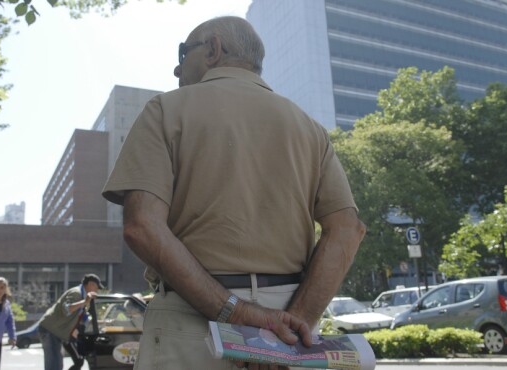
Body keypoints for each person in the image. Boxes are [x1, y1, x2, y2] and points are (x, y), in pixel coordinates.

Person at [102, 16, 366, 370]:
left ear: (213, 49)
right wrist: (293, 323)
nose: (177, 70)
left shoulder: (164, 110)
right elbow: (347, 229)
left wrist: (236, 313)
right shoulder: (310, 129)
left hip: (193, 323)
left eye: (183, 54)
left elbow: (141, 227)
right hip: (291, 325)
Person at [38, 273, 104, 370]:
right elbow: (67, 309)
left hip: (56, 332)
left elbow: (83, 317)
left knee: (57, 365)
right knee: (53, 365)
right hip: (50, 330)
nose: (97, 290)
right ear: (90, 284)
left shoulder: (83, 295)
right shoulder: (76, 293)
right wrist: (85, 302)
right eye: (97, 287)